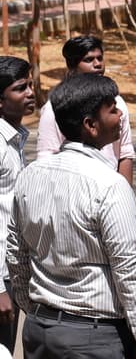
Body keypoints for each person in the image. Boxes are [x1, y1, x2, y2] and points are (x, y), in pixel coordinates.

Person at [7, 73, 136, 359]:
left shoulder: (30, 176)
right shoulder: (110, 186)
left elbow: (17, 257)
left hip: (41, 331)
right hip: (95, 339)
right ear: (91, 125)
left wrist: (36, 312)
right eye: (113, 110)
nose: (120, 116)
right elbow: (130, 274)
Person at [36, 35, 136, 184]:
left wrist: (125, 194)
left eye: (100, 58)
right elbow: (47, 157)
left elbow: (125, 152)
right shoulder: (55, 107)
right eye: (89, 60)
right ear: (72, 66)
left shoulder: (118, 104)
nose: (97, 65)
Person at [0, 57, 35, 355]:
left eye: (31, 85)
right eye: (20, 88)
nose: (31, 93)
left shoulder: (14, 139)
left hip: (13, 269)